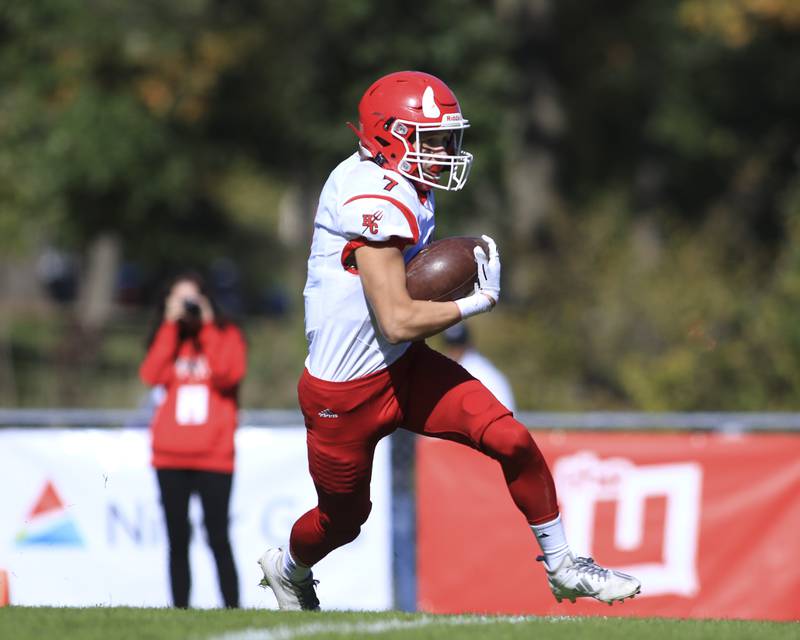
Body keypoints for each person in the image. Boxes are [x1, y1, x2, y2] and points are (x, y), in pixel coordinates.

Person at [257, 71, 640, 611]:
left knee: (511, 439)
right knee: (342, 521)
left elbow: (397, 330)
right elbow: (395, 318)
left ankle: (563, 566)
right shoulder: (372, 195)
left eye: (446, 139)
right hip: (343, 392)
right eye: (429, 139)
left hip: (403, 369)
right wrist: (473, 303)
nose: (442, 151)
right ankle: (288, 569)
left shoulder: (401, 181)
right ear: (388, 135)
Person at [140, 271, 246, 609]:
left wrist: (210, 328)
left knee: (217, 537)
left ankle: (232, 610)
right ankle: (180, 611)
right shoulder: (167, 336)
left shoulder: (226, 334)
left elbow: (229, 375)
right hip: (170, 456)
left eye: (193, 299)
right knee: (177, 539)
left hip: (214, 456)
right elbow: (151, 376)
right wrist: (170, 327)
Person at [442, 322, 516, 412]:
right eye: (451, 346)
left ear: (468, 345)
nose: (454, 351)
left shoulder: (475, 371)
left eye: (458, 346)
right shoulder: (472, 366)